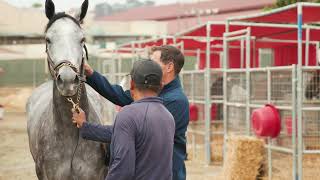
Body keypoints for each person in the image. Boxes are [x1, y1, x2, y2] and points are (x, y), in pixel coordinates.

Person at [84, 45, 189, 180]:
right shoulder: (152, 92)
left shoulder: (176, 101)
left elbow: (129, 132)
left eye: (153, 62)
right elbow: (119, 95)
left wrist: (87, 127)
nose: (149, 65)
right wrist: (91, 74)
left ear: (169, 67)